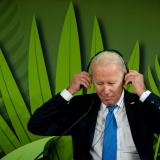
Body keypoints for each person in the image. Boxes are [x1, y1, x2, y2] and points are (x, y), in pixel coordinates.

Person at [28, 50, 160, 160]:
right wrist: (69, 91)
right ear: (90, 80)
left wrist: (144, 94)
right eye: (100, 83)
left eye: (112, 83)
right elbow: (36, 125)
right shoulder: (82, 107)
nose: (106, 90)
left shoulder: (141, 106)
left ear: (125, 79)